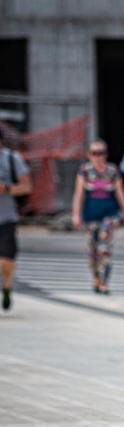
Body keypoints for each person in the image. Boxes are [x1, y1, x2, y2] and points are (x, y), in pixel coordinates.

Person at [72, 140, 124, 295]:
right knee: (92, 251)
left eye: (101, 153)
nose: (98, 157)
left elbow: (120, 193)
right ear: (89, 155)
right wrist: (76, 215)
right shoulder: (84, 171)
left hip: (109, 215)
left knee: (105, 249)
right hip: (90, 216)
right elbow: (78, 194)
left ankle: (104, 282)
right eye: (94, 153)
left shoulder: (113, 171)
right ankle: (96, 279)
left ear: (106, 154)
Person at [0, 130, 32, 311]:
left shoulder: (12, 159)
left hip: (6, 217)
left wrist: (6, 189)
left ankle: (6, 286)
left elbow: (27, 186)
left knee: (6, 260)